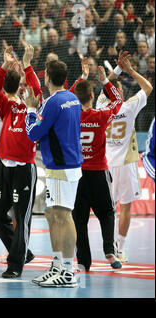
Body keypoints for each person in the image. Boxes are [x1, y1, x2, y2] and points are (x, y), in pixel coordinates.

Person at [25, 59, 83, 288]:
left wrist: (31, 108)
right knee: (52, 214)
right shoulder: (73, 98)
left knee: (63, 215)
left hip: (61, 166)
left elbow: (33, 134)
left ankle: (68, 272)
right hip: (67, 164)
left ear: (47, 77)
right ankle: (58, 265)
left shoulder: (53, 102)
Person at [0, 44, 39, 278]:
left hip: (24, 168)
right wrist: (4, 67)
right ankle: (21, 251)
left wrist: (27, 63)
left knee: (21, 217)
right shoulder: (8, 106)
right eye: (22, 86)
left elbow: (36, 90)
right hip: (3, 165)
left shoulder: (33, 108)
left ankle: (15, 265)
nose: (25, 89)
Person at [71, 58, 124, 272]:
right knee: (107, 213)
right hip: (99, 173)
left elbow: (65, 97)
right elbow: (118, 101)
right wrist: (106, 82)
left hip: (78, 174)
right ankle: (110, 252)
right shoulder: (101, 116)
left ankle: (83, 261)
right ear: (93, 96)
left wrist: (82, 78)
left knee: (79, 219)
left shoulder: (71, 115)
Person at [101, 52, 154, 263]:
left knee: (108, 209)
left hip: (106, 163)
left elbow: (107, 85)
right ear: (120, 94)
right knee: (126, 205)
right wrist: (129, 69)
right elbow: (148, 88)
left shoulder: (101, 106)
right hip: (127, 162)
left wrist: (116, 71)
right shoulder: (129, 105)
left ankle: (110, 248)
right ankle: (120, 248)